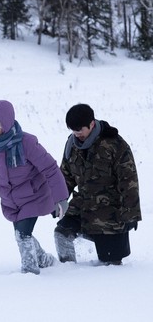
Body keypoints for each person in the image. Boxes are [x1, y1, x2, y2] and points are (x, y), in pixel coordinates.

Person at [0, 100, 69, 274]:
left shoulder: (27, 142)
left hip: (35, 194)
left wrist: (61, 199)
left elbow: (50, 169)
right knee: (22, 234)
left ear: (6, 124)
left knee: (22, 235)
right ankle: (44, 259)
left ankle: (30, 271)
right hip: (10, 198)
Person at [55, 104, 141, 265]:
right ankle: (67, 272)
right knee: (62, 234)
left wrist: (131, 214)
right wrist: (58, 201)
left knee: (111, 262)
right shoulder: (71, 145)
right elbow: (65, 176)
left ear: (92, 124)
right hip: (82, 207)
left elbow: (129, 181)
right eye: (73, 130)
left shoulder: (115, 145)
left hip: (110, 215)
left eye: (80, 130)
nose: (76, 134)